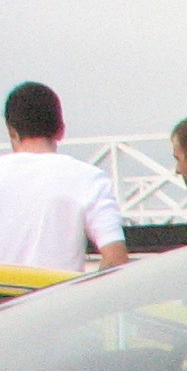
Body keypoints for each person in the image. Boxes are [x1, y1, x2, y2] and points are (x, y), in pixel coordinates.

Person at [0, 82, 126, 273]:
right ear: (61, 129)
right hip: (59, 298)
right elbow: (116, 260)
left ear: (12, 131)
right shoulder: (90, 179)